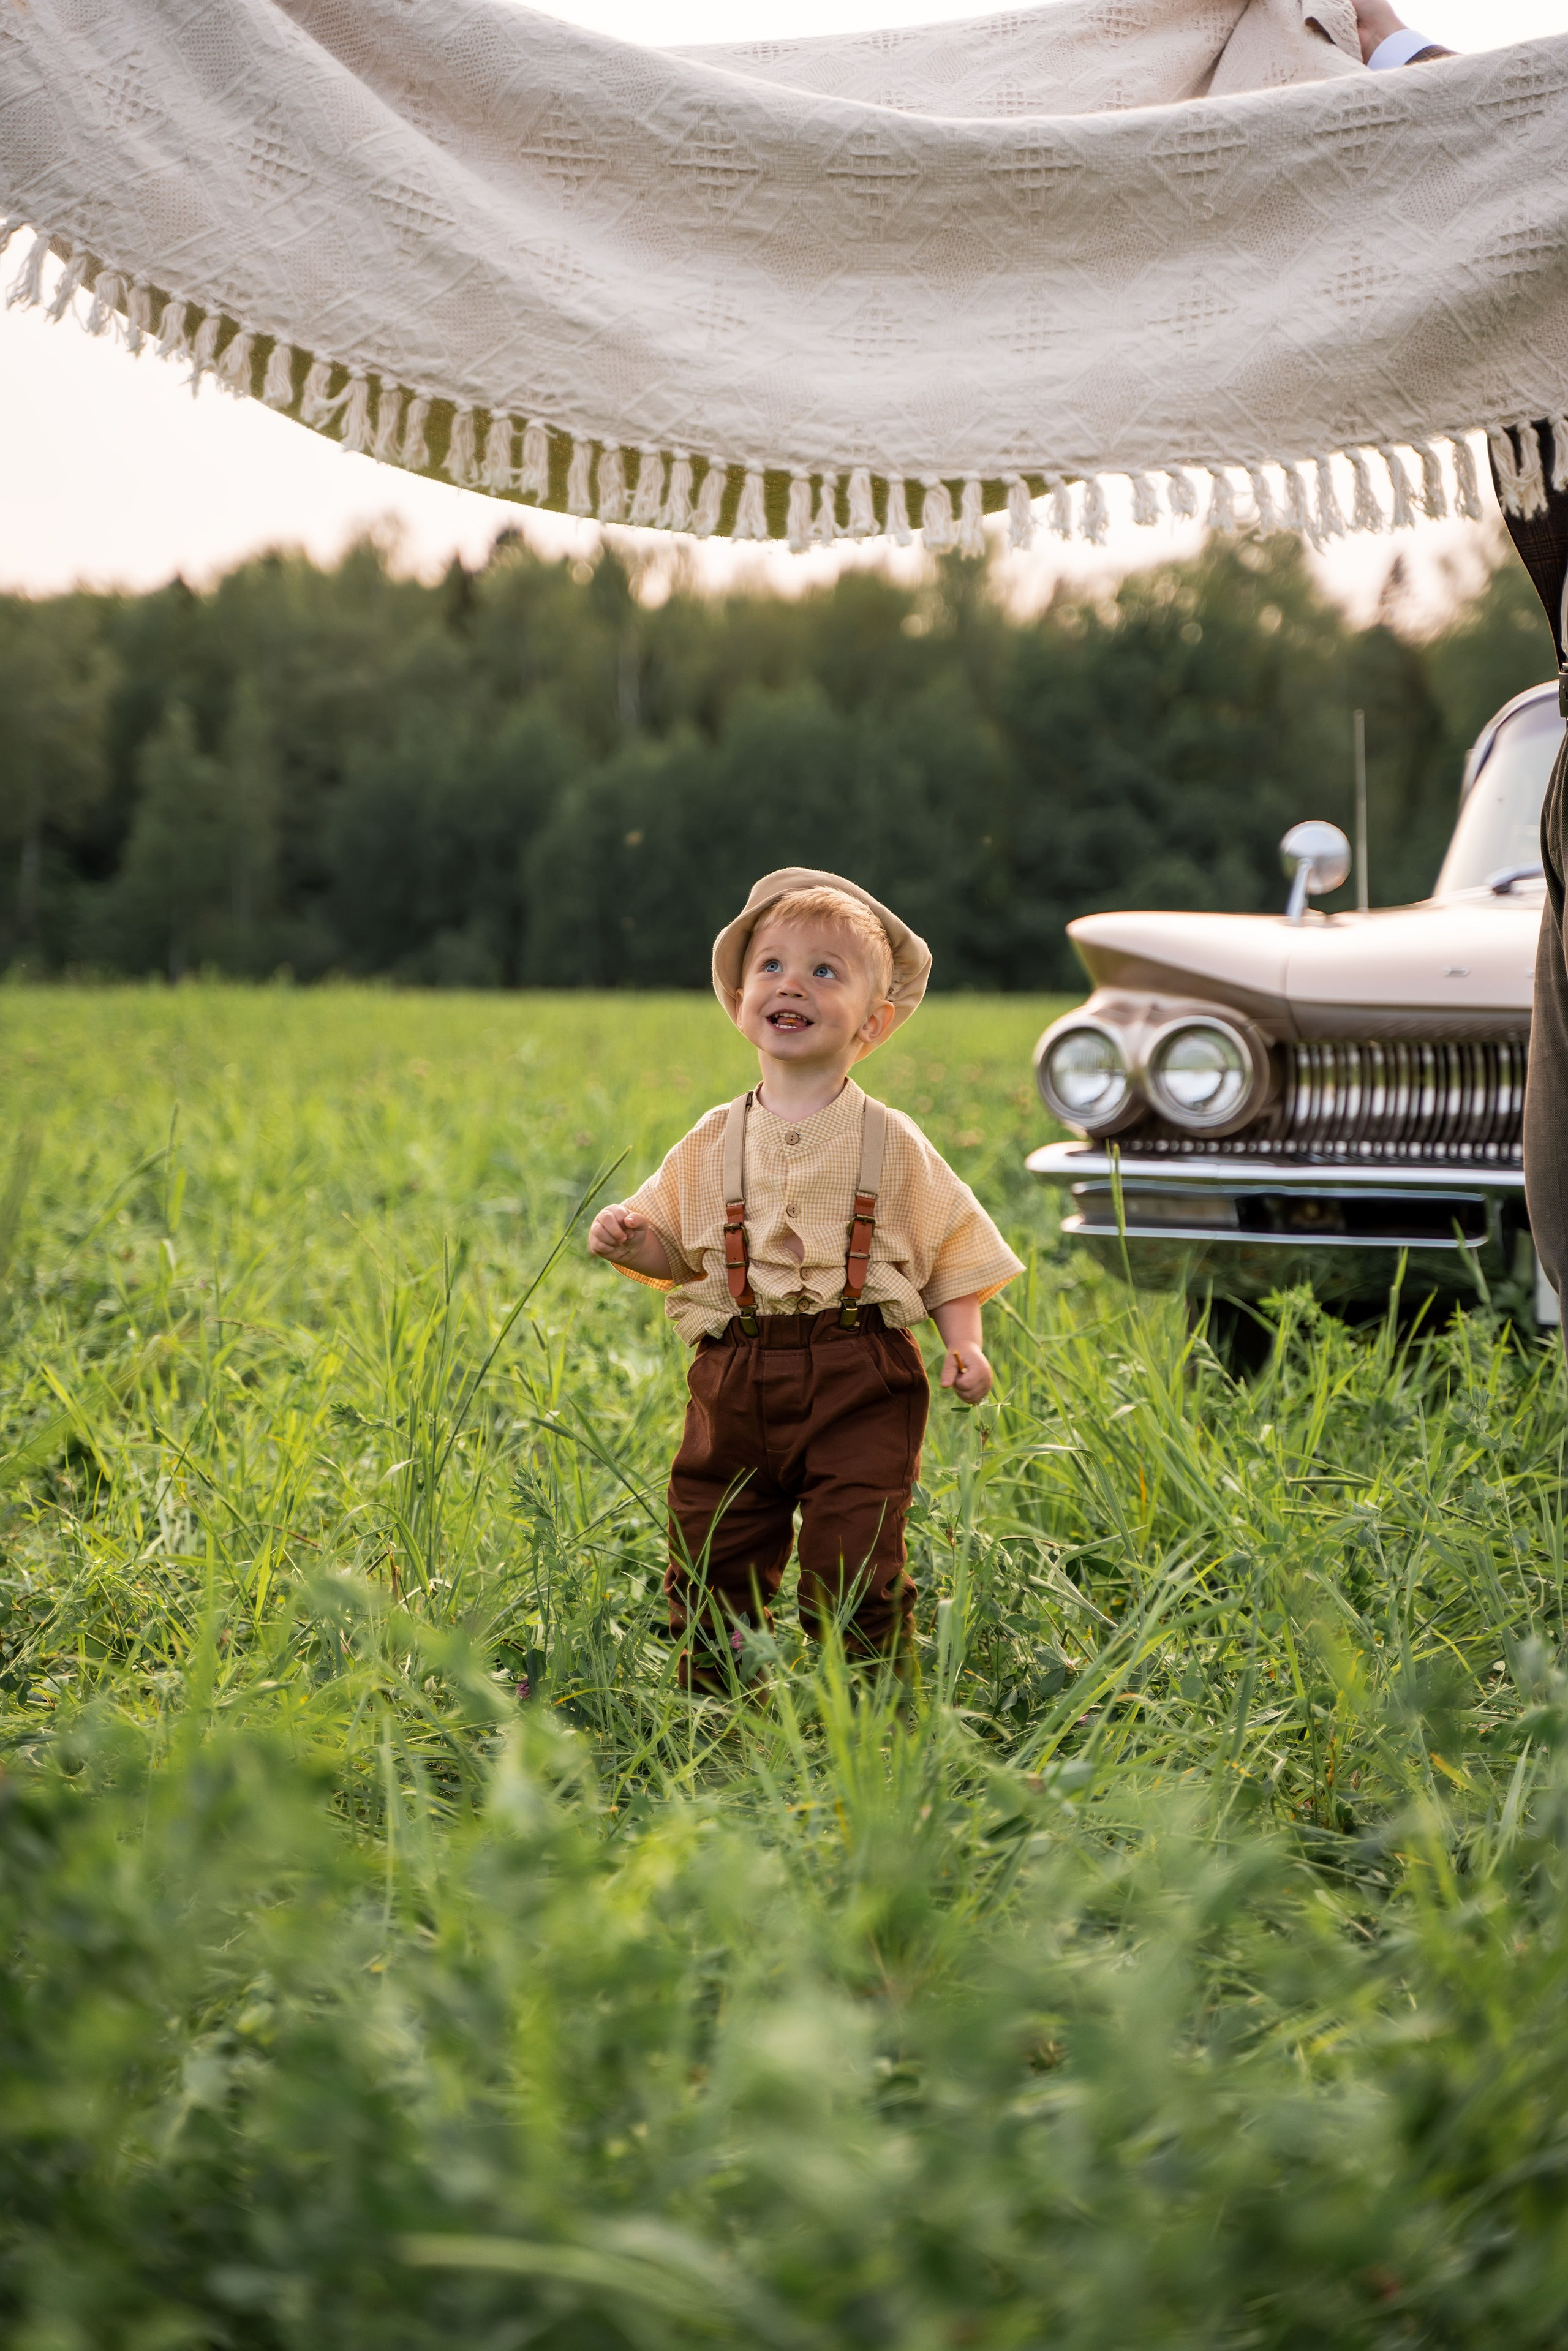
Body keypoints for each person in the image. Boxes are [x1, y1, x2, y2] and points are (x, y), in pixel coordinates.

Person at [589, 869, 1023, 1692]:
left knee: (855, 1549)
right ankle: (715, 1701)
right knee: (714, 1536)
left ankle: (868, 1702)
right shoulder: (713, 1138)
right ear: (741, 998)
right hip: (735, 1374)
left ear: (873, 1021)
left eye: (826, 970)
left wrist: (966, 1344)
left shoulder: (889, 1139)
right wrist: (629, 1237)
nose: (793, 982)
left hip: (860, 1371)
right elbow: (676, 1252)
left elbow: (949, 1249)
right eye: (772, 966)